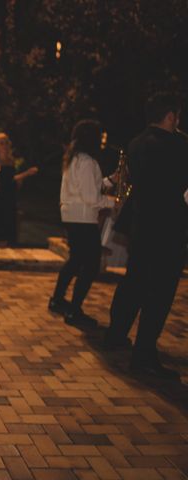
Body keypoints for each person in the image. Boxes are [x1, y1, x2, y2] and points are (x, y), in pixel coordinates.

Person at [105, 92, 188, 379]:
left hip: (140, 225)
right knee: (160, 293)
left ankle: (115, 334)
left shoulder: (136, 143)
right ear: (170, 116)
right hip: (168, 228)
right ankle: (144, 356)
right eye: (177, 115)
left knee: (134, 281)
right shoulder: (179, 145)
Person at [48, 120, 115, 326]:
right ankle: (74, 311)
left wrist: (110, 180)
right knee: (90, 265)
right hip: (83, 219)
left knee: (76, 260)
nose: (103, 140)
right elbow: (91, 197)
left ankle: (58, 300)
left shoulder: (75, 159)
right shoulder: (87, 162)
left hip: (72, 216)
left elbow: (88, 188)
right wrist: (115, 202)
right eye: (100, 136)